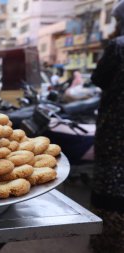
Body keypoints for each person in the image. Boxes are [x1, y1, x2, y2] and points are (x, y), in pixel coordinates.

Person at [89, 1, 124, 252]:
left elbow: (99, 79)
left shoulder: (118, 47)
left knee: (109, 190)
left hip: (115, 133)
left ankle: (107, 243)